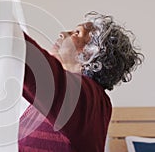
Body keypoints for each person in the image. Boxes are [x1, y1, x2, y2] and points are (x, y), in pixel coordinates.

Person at [18, 11, 144, 152]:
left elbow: (32, 62)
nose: (62, 33)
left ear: (94, 53)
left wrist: (4, 28)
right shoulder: (55, 99)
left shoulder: (92, 101)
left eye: (77, 33)